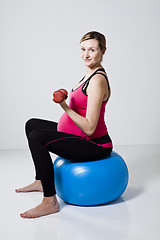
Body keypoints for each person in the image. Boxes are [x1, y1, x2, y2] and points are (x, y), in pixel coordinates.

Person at [15, 31, 113, 218]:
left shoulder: (98, 80)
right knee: (32, 125)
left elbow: (90, 127)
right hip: (79, 136)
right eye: (83, 49)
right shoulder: (88, 75)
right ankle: (41, 180)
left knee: (38, 137)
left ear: (102, 52)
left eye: (92, 50)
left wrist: (64, 106)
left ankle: (50, 201)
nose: (86, 54)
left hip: (95, 144)